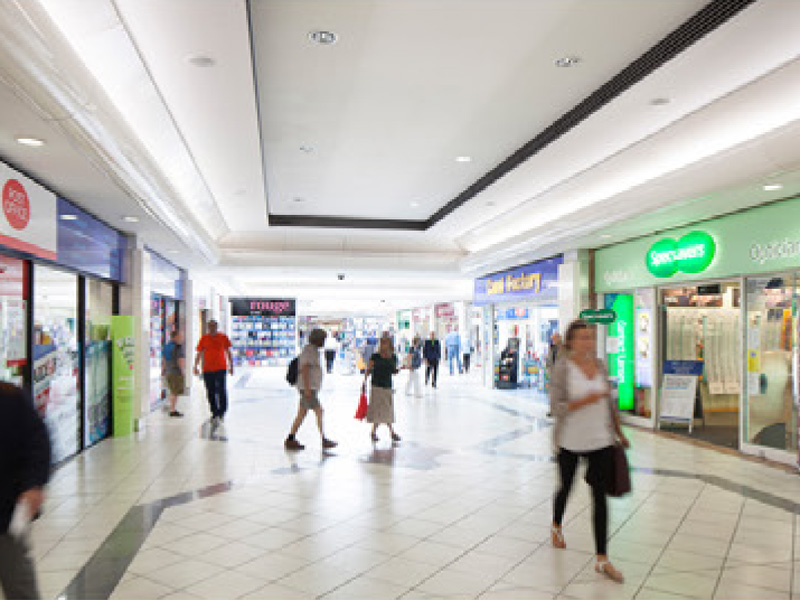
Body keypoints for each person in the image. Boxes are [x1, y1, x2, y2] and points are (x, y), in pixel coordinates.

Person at [549, 319, 629, 584]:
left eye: (590, 337)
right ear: (570, 341)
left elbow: (609, 403)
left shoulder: (600, 365)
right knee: (567, 487)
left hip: (601, 441)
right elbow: (555, 407)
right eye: (582, 337)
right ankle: (557, 524)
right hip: (570, 441)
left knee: (600, 498)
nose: (588, 342)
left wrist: (619, 432)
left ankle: (602, 559)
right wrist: (585, 400)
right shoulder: (562, 369)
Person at [0, 382, 51, 600]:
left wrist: (33, 484)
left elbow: (38, 443)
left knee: (19, 584)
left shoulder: (10, 399)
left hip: (5, 517)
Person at [285, 328, 337, 451]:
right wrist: (308, 389)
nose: (324, 341)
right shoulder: (310, 351)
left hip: (308, 388)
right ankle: (323, 439)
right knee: (319, 411)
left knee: (302, 414)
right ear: (317, 339)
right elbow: (305, 368)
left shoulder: (312, 350)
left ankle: (291, 438)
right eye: (323, 339)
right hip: (308, 388)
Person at [193, 319, 233, 426]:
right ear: (207, 328)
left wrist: (231, 366)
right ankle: (214, 411)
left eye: (213, 326)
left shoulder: (223, 337)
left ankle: (222, 410)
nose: (211, 328)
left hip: (221, 368)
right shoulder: (204, 339)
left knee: (221, 390)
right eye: (210, 326)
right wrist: (195, 366)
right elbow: (199, 353)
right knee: (210, 391)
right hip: (207, 369)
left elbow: (228, 352)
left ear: (217, 327)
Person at [364, 336, 402, 442]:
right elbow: (369, 368)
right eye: (382, 343)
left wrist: (398, 370)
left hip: (387, 386)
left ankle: (376, 432)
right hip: (376, 385)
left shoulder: (393, 357)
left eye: (385, 343)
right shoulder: (375, 356)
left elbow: (393, 371)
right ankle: (390, 432)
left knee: (387, 410)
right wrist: (364, 381)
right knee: (378, 411)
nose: (383, 345)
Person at [162, 329, 185, 417]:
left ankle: (172, 408)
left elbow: (164, 360)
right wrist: (182, 371)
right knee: (175, 391)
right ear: (175, 337)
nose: (181, 338)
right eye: (180, 336)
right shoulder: (177, 347)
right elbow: (180, 360)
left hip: (168, 371)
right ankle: (172, 409)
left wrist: (163, 370)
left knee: (172, 390)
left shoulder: (166, 346)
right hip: (176, 372)